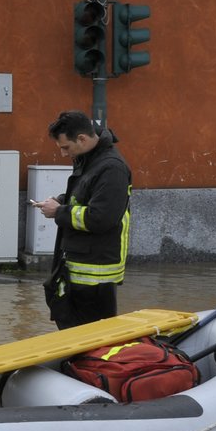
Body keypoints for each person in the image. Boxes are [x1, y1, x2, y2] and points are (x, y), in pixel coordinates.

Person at [36, 110, 132, 328]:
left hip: (95, 275)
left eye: (65, 147)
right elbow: (85, 196)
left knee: (94, 343)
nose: (63, 154)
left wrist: (59, 212)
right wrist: (61, 201)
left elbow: (100, 218)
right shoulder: (88, 159)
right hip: (78, 267)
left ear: (82, 139)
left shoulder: (112, 168)